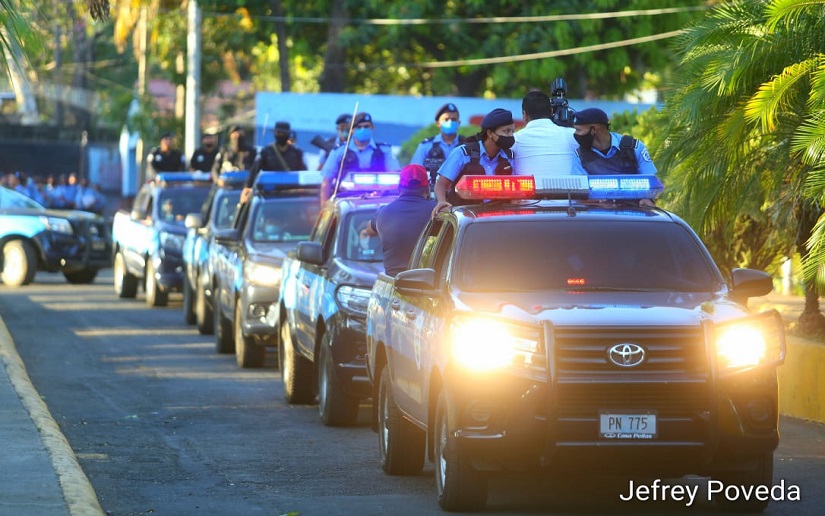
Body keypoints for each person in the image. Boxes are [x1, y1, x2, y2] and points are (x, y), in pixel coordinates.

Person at [432, 108, 516, 216]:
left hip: (498, 217)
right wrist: (442, 201)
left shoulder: (509, 157)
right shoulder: (463, 153)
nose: (510, 135)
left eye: (512, 131)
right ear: (490, 133)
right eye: (506, 131)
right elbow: (441, 184)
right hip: (465, 217)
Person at [362, 164, 436, 277]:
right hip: (430, 283)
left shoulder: (383, 212)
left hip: (393, 282)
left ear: (399, 187)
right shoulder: (438, 213)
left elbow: (368, 230)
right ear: (428, 186)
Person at [320, 112, 400, 204]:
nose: (363, 129)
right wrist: (324, 208)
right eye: (359, 127)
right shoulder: (340, 152)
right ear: (352, 130)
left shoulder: (384, 151)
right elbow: (326, 183)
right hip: (345, 202)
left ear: (372, 128)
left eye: (366, 126)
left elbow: (395, 175)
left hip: (379, 201)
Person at [571, 108, 657, 175]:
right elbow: (580, 190)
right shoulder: (580, 155)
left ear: (594, 129)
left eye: (578, 130)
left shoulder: (634, 147)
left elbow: (652, 181)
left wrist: (646, 196)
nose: (575, 134)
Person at [513, 90, 581, 176]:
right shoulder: (571, 135)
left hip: (529, 185)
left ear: (524, 114)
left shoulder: (515, 139)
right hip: (566, 185)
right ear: (551, 111)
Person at [409, 103, 465, 185]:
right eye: (446, 119)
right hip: (431, 189)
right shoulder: (426, 146)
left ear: (458, 122)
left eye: (453, 119)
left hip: (461, 189)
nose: (450, 122)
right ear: (438, 123)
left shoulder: (467, 145)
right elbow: (414, 171)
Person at [246, 121, 307, 186]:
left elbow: (303, 173)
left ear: (288, 134)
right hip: (270, 188)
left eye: (283, 133)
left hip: (291, 188)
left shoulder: (297, 153)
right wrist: (248, 186)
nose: (281, 135)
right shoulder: (266, 151)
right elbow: (255, 170)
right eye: (278, 133)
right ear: (274, 133)